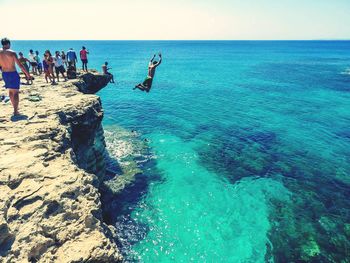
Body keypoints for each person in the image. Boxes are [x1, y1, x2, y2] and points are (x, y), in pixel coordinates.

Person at [0, 38, 31, 116]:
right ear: (8, 44)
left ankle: (14, 107)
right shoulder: (12, 53)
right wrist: (27, 74)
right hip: (12, 73)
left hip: (4, 73)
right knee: (16, 92)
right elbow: (20, 65)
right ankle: (15, 111)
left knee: (10, 91)